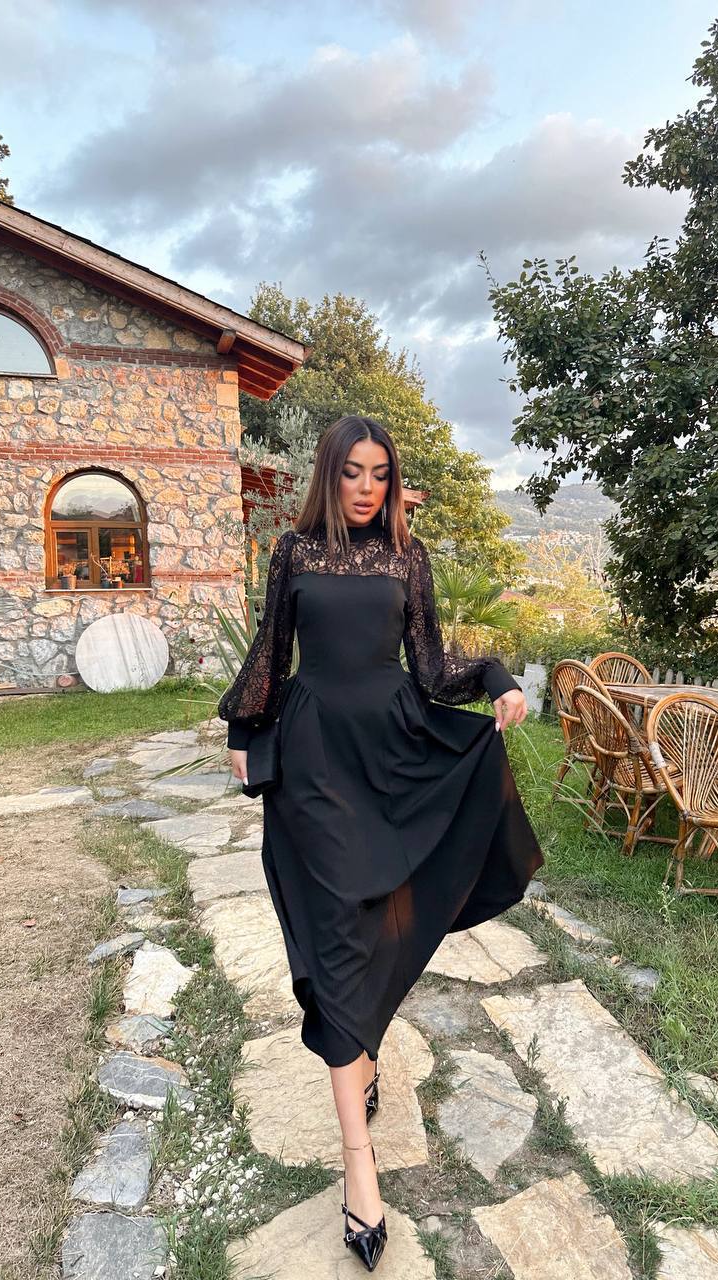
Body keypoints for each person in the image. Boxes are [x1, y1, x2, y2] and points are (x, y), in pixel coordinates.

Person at [218, 415, 544, 1271]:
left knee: (382, 923)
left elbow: (431, 664)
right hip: (316, 762)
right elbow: (271, 651)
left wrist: (495, 676)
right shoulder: (295, 553)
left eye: (380, 474)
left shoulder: (407, 556)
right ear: (329, 475)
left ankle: (361, 1050)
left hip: (395, 755)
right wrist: (244, 728)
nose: (367, 487)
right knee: (335, 935)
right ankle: (358, 1166)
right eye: (352, 472)